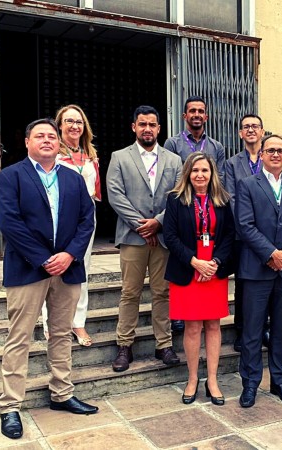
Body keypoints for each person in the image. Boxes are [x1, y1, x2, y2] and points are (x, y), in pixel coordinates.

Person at [0, 118, 98, 440]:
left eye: (51, 136)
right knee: (20, 336)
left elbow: (87, 220)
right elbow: (10, 222)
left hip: (68, 269)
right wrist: (42, 259)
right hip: (28, 269)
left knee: (62, 333)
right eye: (39, 135)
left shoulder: (72, 178)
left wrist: (69, 255)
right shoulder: (9, 176)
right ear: (27, 142)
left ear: (59, 143)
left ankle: (62, 393)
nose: (47, 140)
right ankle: (10, 405)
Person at [236, 134, 282, 408]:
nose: (276, 154)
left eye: (280, 150)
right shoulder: (247, 185)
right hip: (257, 269)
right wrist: (270, 253)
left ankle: (280, 381)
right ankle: (250, 384)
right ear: (262, 154)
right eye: (270, 150)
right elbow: (244, 225)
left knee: (281, 330)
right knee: (253, 331)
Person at [106, 105, 182, 372]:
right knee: (130, 292)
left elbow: (178, 195)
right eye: (142, 124)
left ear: (159, 129)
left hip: (162, 237)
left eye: (152, 124)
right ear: (134, 127)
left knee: (163, 292)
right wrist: (142, 226)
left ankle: (164, 345)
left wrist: (158, 222)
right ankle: (124, 345)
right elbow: (115, 195)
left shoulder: (173, 160)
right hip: (132, 236)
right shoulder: (119, 157)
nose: (147, 129)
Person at [163, 153, 236, 406]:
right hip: (188, 267)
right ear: (187, 173)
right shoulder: (175, 200)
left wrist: (214, 263)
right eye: (195, 170)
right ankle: (192, 378)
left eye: (205, 170)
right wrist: (195, 262)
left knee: (213, 326)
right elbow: (170, 237)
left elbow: (229, 236)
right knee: (192, 327)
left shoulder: (223, 200)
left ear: (212, 173)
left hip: (214, 268)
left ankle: (212, 380)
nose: (200, 175)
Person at [164, 95, 227, 333]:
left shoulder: (217, 147)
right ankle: (179, 316)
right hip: (182, 210)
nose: (197, 114)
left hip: (208, 214)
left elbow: (218, 180)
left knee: (212, 322)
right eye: (192, 111)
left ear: (206, 116)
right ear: (184, 116)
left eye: (201, 111)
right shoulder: (172, 144)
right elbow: (171, 182)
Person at [41, 104, 101, 346]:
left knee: (82, 271)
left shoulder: (91, 155)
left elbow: (94, 191)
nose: (75, 126)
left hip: (86, 219)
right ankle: (50, 323)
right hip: (59, 217)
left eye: (79, 121)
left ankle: (78, 322)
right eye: (69, 121)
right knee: (55, 269)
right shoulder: (52, 155)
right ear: (60, 126)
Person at [223, 114, 266, 351]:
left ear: (262, 131)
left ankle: (264, 329)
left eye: (255, 126)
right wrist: (249, 225)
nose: (250, 130)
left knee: (269, 283)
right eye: (246, 127)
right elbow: (231, 197)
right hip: (242, 234)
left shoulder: (271, 157)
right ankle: (242, 331)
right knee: (243, 284)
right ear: (240, 133)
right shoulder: (232, 163)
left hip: (270, 235)